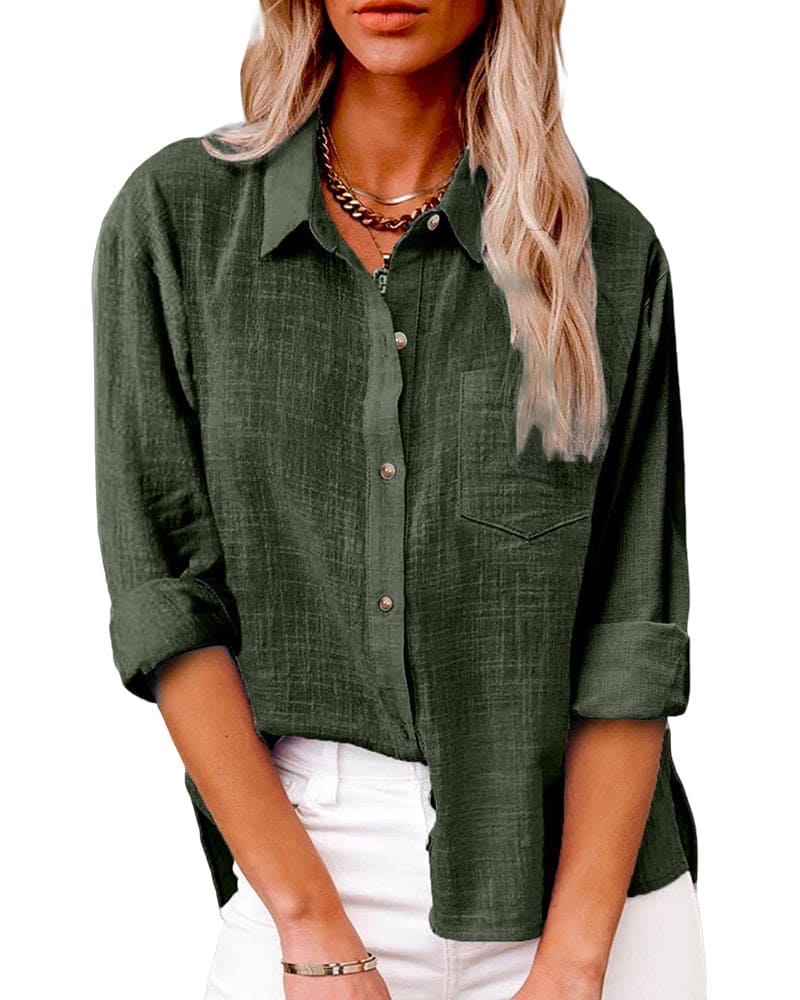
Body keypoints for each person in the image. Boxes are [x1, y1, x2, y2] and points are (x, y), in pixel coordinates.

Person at [91, 1, 707, 998]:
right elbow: (164, 596)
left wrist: (572, 967)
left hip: (592, 894)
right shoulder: (179, 221)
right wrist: (308, 924)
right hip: (311, 863)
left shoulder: (607, 251)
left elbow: (630, 630)